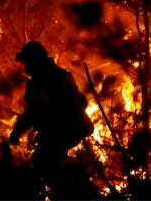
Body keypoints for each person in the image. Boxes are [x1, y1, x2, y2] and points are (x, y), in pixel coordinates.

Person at [8, 41, 94, 174]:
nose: (25, 69)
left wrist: (17, 132)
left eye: (27, 62)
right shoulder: (62, 74)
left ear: (35, 60)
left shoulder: (39, 82)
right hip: (79, 126)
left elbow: (33, 112)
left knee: (42, 163)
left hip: (63, 130)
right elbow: (82, 101)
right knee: (50, 161)